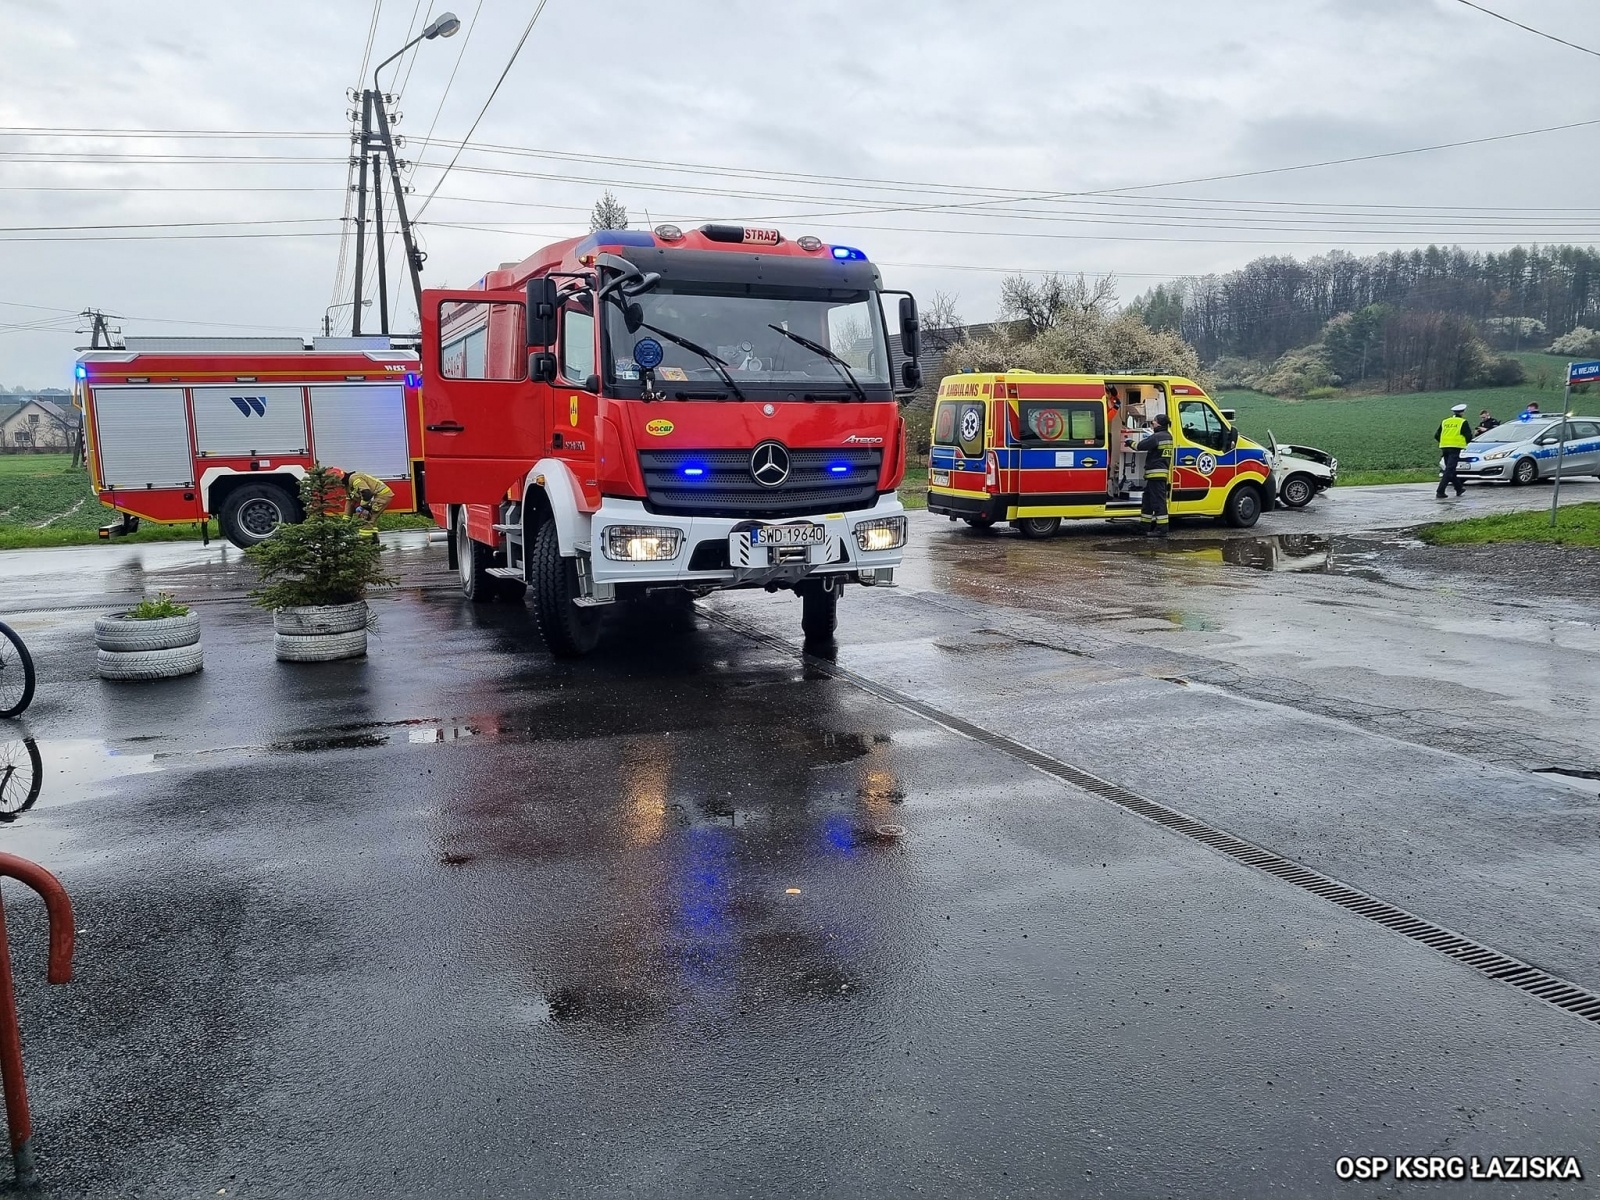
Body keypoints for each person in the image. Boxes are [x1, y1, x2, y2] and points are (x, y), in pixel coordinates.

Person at [1136, 413, 1173, 537]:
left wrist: (1129, 442)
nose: (1152, 423)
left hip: (1155, 474)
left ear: (1159, 423)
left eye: (1154, 421)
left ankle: (1162, 530)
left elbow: (1140, 446)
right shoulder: (1167, 436)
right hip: (1158, 475)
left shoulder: (1157, 437)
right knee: (1147, 501)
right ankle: (1144, 527)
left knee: (1158, 502)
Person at [1435, 403, 1472, 498]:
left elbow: (1437, 435)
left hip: (1444, 447)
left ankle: (1459, 488)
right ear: (1462, 412)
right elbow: (1468, 436)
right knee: (1449, 470)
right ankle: (1440, 491)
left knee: (1450, 469)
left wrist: (1444, 442)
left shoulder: (1445, 421)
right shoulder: (1463, 422)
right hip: (1455, 448)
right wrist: (1464, 443)